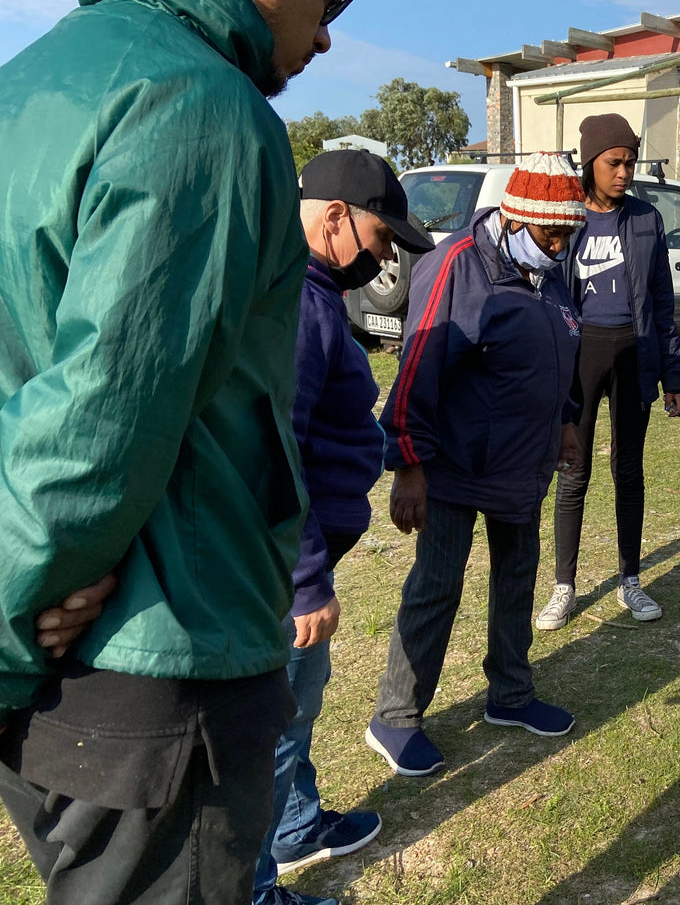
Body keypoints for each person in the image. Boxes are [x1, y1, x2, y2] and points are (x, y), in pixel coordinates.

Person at [0, 0, 367, 901]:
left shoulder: (28, 89)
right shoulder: (202, 106)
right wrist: (12, 608)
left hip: (65, 664)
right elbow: (93, 428)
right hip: (157, 666)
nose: (329, 36)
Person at [251, 151, 433, 905]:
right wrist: (304, 583)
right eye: (382, 235)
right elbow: (272, 450)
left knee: (296, 711)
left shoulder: (316, 290)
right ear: (334, 217)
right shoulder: (298, 300)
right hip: (281, 574)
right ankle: (258, 888)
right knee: (267, 728)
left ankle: (294, 828)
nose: (387, 255)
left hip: (301, 558)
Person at [366, 155, 586, 778]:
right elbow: (416, 367)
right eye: (551, 235)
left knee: (518, 575)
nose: (560, 246)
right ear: (516, 219)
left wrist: (566, 421)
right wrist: (409, 464)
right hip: (456, 464)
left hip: (522, 460)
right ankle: (397, 717)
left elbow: (560, 347)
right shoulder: (457, 266)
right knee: (438, 584)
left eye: (568, 235)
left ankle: (510, 695)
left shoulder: (548, 270)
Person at [538, 115, 680, 629]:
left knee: (629, 469)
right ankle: (563, 585)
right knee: (573, 468)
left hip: (635, 350)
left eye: (630, 161)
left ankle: (630, 578)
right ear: (590, 162)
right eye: (614, 162)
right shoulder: (567, 217)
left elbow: (663, 302)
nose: (624, 172)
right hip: (582, 356)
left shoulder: (646, 219)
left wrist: (673, 376)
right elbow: (546, 295)